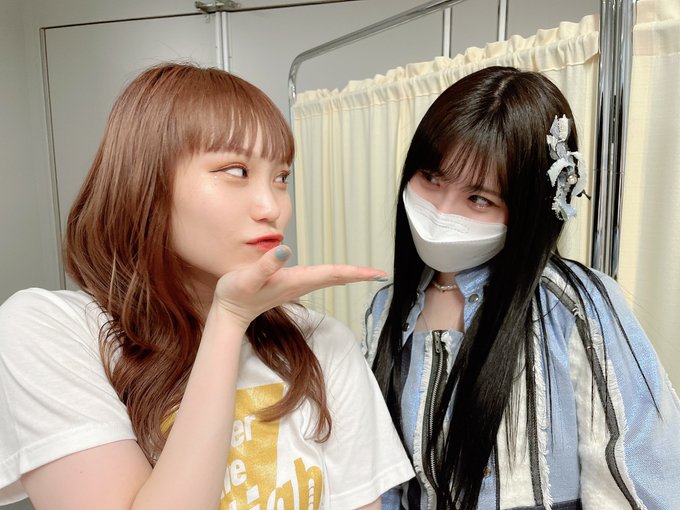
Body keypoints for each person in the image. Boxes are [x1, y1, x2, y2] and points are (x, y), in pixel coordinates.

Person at [0, 63, 414, 510]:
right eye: (236, 171)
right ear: (146, 182)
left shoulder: (320, 340)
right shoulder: (50, 330)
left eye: (281, 177)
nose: (272, 206)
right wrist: (228, 321)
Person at [363, 66, 680, 510]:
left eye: (479, 199)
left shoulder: (574, 306)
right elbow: (378, 476)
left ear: (528, 210)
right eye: (431, 178)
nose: (442, 211)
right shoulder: (386, 310)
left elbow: (641, 480)